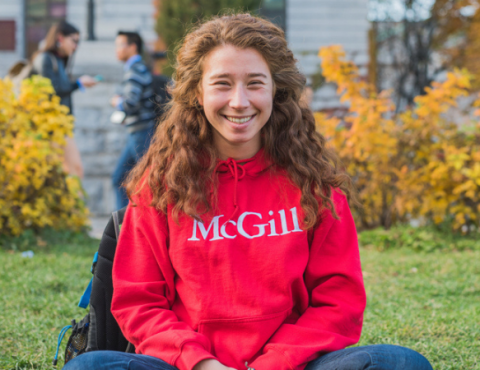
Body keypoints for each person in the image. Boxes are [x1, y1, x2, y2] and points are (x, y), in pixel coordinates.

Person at [63, 14, 433, 370]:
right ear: (196, 92)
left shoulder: (314, 185)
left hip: (292, 366)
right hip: (190, 366)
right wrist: (203, 364)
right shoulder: (160, 186)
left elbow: (338, 303)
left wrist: (272, 365)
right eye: (222, 83)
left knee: (402, 363)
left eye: (255, 83)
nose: (239, 101)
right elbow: (139, 303)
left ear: (276, 89)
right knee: (90, 366)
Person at [32, 21, 97, 179]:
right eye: (73, 41)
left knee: (66, 173)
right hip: (51, 128)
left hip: (61, 126)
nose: (76, 46)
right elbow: (53, 89)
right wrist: (79, 83)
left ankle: (69, 203)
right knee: (72, 171)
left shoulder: (58, 60)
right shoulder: (45, 59)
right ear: (60, 38)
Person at [110, 31, 156, 210]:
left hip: (141, 133)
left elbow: (131, 102)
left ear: (132, 47)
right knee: (120, 178)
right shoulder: (136, 68)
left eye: (120, 45)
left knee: (151, 181)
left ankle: (153, 224)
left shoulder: (135, 68)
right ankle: (122, 226)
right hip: (137, 132)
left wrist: (116, 101)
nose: (117, 50)